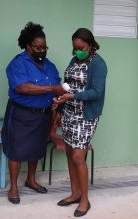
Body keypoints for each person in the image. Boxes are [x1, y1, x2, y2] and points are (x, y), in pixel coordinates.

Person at [1, 22, 64, 204]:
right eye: (38, 47)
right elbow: (22, 87)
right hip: (22, 114)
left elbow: (58, 91)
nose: (42, 50)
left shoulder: (50, 66)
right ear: (28, 46)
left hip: (43, 115)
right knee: (17, 151)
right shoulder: (18, 63)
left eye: (45, 47)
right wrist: (51, 87)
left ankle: (31, 180)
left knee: (36, 149)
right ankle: (13, 187)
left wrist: (58, 108)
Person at [53, 28, 107, 217]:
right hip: (69, 112)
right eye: (75, 48)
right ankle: (74, 193)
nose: (77, 52)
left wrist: (73, 95)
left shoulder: (98, 64)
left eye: (81, 48)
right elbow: (67, 82)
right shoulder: (74, 60)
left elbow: (96, 92)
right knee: (69, 153)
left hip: (86, 116)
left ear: (91, 45)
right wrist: (60, 104)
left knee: (78, 157)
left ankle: (84, 200)